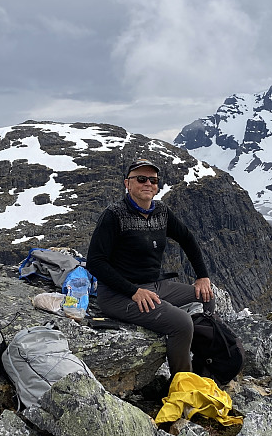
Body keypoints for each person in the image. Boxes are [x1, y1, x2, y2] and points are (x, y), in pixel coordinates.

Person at [87, 159, 214, 376]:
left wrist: (202, 276)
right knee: (182, 323)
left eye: (153, 180)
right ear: (127, 183)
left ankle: (207, 362)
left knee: (206, 296)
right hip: (119, 295)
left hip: (155, 286)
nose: (148, 184)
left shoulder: (161, 212)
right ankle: (182, 387)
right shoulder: (114, 215)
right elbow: (95, 262)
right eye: (141, 179)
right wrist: (133, 291)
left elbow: (187, 239)